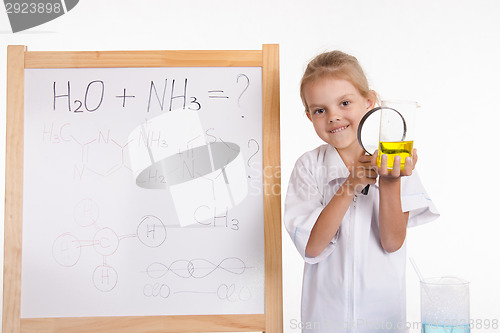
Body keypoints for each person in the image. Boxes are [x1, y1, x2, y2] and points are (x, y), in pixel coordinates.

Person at [284, 50, 439, 332]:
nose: (333, 117)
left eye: (344, 103)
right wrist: (350, 185)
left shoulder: (397, 162)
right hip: (325, 321)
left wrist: (390, 182)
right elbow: (312, 246)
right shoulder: (308, 166)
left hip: (383, 321)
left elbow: (392, 242)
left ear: (369, 102)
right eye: (320, 110)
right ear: (309, 116)